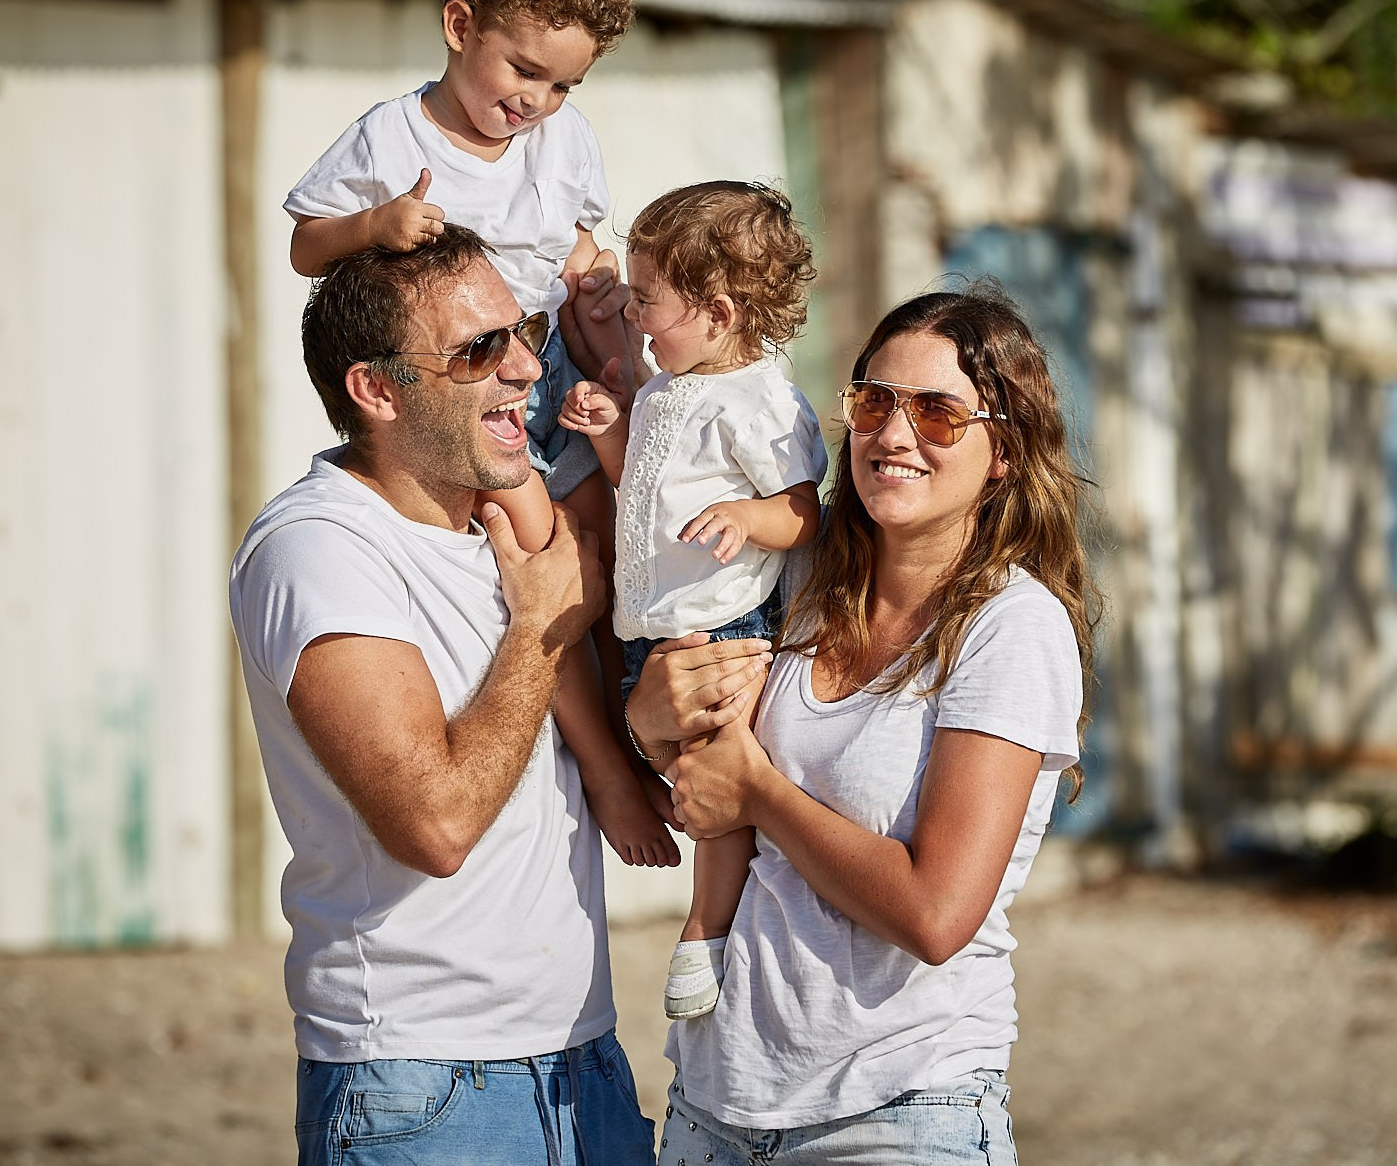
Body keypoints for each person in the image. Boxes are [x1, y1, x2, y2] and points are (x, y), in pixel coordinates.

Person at [622, 286, 1100, 1164]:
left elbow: (936, 913)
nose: (894, 433)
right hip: (714, 1101)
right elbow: (702, 777)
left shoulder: (1012, 626)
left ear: (1003, 451)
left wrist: (762, 793)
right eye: (875, 402)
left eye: (938, 412)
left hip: (899, 1110)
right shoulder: (800, 580)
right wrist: (649, 717)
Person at [227, 231, 656, 1165]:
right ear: (376, 391)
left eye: (523, 331)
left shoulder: (507, 523)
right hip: (421, 1085)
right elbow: (436, 822)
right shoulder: (318, 547)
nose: (524, 367)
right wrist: (541, 627)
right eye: (478, 350)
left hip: (583, 1059)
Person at [282, 0, 675, 868]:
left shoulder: (564, 142)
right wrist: (374, 228)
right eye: (523, 70)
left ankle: (643, 733)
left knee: (615, 542)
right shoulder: (391, 139)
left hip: (553, 366)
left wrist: (600, 292)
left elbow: (576, 251)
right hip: (468, 390)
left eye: (563, 83)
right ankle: (606, 765)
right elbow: (305, 246)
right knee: (544, 562)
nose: (538, 99)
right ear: (460, 27)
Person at [558, 181, 828, 1021]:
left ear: (717, 313)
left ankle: (706, 924)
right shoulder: (667, 389)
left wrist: (746, 517)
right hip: (654, 625)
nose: (634, 314)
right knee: (683, 775)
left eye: (648, 299)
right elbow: (634, 487)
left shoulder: (760, 400)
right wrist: (609, 426)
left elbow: (802, 509)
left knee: (718, 774)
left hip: (723, 624)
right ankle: (746, 907)